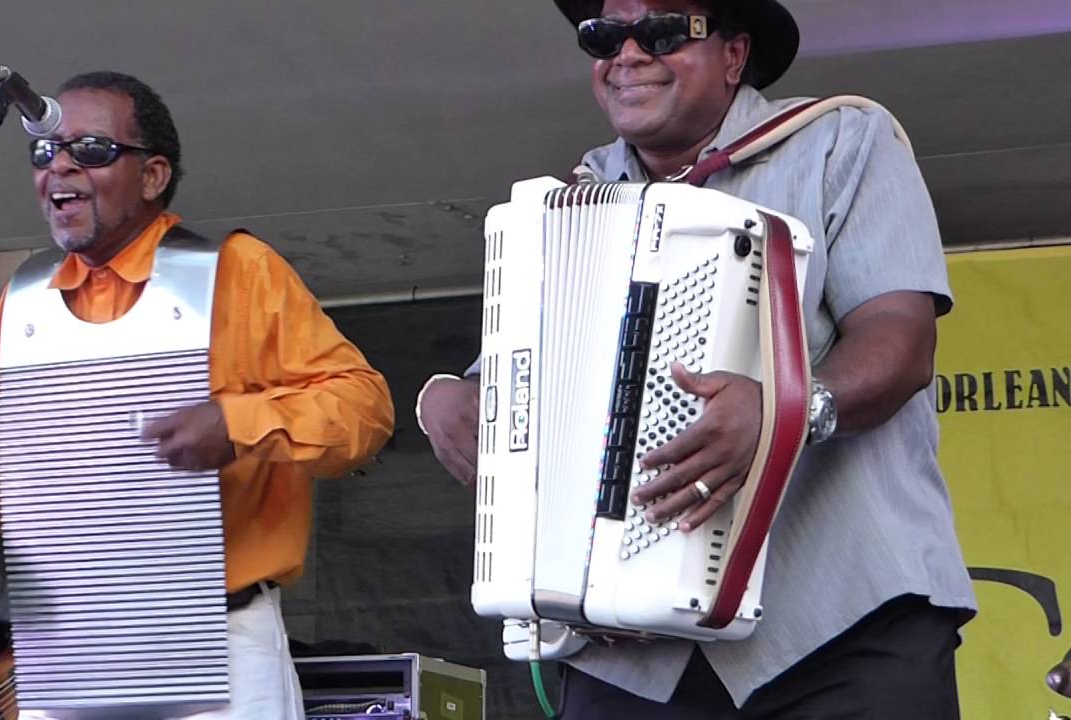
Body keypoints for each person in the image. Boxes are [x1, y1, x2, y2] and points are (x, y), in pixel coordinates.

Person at [417, 0, 977, 717]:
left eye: (660, 32)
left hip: (843, 622)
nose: (627, 55)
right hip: (631, 649)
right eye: (604, 37)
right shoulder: (576, 198)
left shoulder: (841, 140)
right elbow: (527, 365)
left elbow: (900, 342)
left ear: (734, 56)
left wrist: (783, 412)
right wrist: (445, 397)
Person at [0, 70, 395, 720]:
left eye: (91, 150)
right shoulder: (24, 302)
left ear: (152, 176)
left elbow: (364, 406)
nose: (60, 167)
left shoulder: (236, 273)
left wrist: (239, 424)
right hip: (64, 651)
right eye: (45, 151)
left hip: (218, 645)